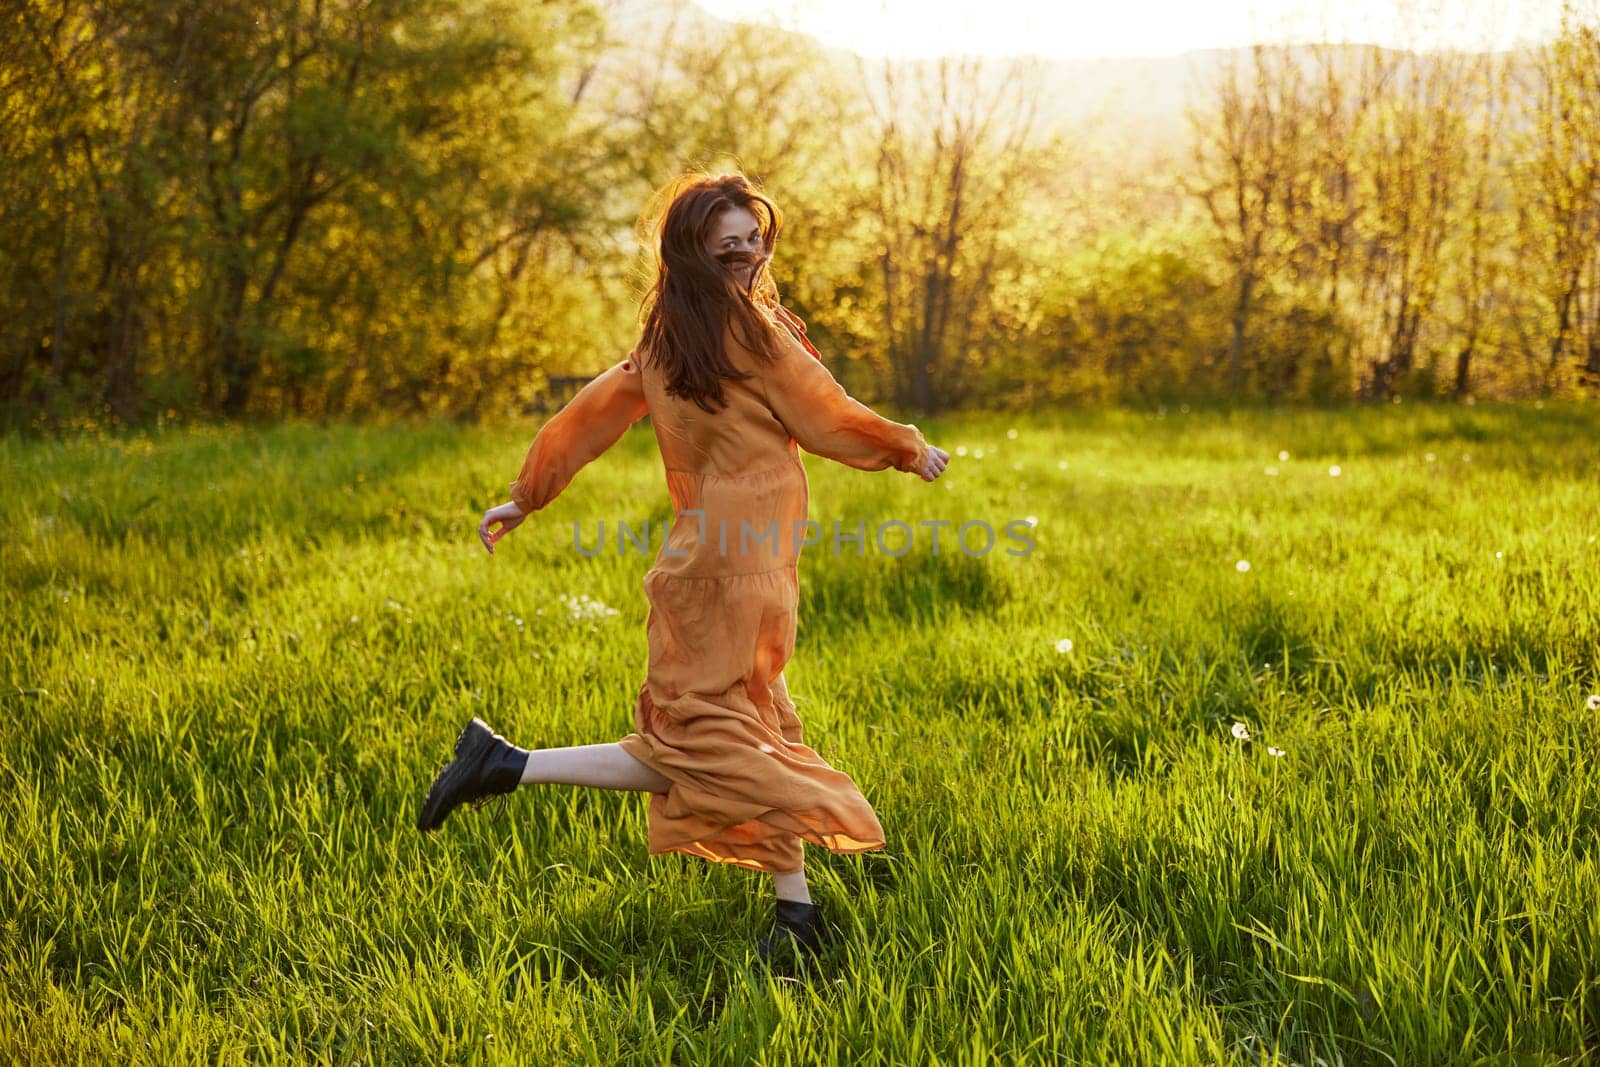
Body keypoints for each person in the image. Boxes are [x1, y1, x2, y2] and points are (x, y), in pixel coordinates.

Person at [417, 172, 951, 964]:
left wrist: (528, 497)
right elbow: (824, 411)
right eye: (727, 246)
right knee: (708, 739)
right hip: (735, 569)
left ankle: (793, 915)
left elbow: (588, 415)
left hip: (732, 564)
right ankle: (506, 764)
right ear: (693, 255)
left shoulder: (672, 337)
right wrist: (906, 447)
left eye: (753, 241)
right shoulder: (747, 334)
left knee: (750, 722)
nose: (746, 256)